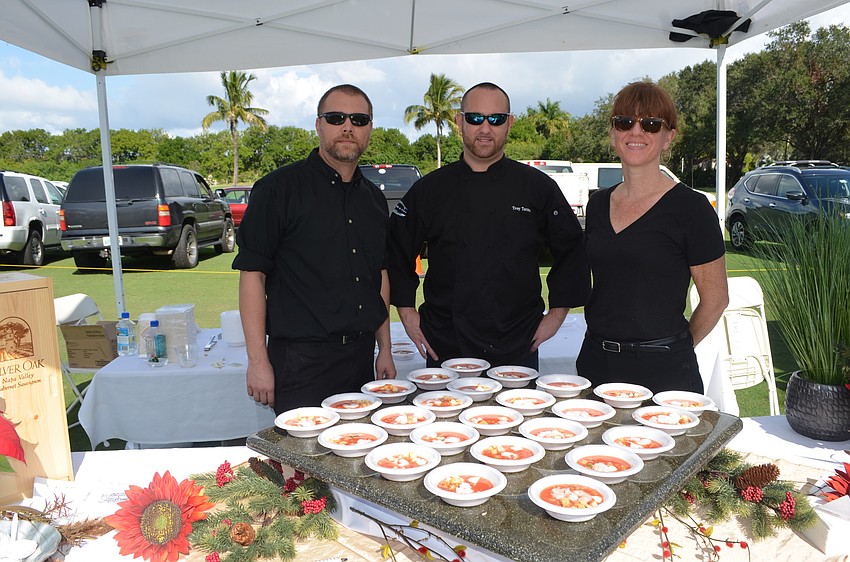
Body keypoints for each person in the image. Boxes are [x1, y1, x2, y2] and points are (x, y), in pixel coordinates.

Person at [387, 82, 590, 370]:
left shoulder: (537, 187)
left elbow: (572, 248)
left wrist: (555, 316)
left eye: (495, 119)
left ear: (509, 123)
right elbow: (396, 249)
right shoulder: (430, 189)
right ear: (460, 121)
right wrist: (407, 313)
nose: (485, 128)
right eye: (474, 118)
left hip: (517, 343)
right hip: (445, 342)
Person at [233, 84, 395, 415]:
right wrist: (258, 362)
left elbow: (378, 275)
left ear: (370, 129)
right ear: (319, 124)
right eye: (336, 118)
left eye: (359, 119)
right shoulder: (278, 190)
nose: (348, 127)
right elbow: (253, 275)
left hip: (361, 359)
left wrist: (385, 350)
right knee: (301, 465)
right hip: (300, 362)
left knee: (357, 457)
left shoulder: (374, 201)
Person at [576, 81, 729, 393]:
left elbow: (716, 300)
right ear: (613, 132)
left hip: (665, 373)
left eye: (650, 124)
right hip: (596, 365)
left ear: (668, 136)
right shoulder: (597, 204)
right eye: (624, 122)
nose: (636, 132)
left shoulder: (692, 209)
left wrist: (676, 348)